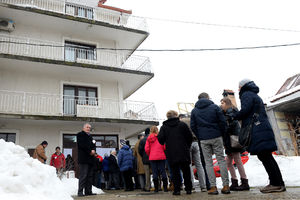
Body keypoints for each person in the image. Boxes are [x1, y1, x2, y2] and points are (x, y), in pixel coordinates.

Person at [232, 79, 286, 193]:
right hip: (262, 128)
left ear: (243, 86)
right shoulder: (253, 94)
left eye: (239, 87)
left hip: (258, 129)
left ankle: (276, 183)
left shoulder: (246, 94)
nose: (238, 89)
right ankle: (278, 183)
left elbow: (245, 110)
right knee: (266, 156)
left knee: (265, 157)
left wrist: (234, 115)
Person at [190, 92, 230, 195]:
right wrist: (221, 134)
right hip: (216, 136)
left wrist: (200, 136)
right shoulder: (215, 107)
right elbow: (222, 122)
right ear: (207, 98)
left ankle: (213, 187)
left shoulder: (194, 111)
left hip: (203, 139)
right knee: (221, 160)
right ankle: (226, 186)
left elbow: (193, 126)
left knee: (208, 163)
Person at [157, 110, 193, 195]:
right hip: (183, 150)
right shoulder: (182, 125)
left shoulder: (164, 127)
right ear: (176, 115)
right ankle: (188, 189)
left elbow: (160, 140)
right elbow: (189, 137)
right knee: (186, 171)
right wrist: (187, 146)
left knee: (175, 172)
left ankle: (177, 189)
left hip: (171, 152)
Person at [220, 97, 249, 191]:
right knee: (229, 162)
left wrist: (225, 128)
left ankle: (244, 182)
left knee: (237, 160)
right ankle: (235, 182)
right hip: (230, 140)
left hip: (233, 140)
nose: (221, 104)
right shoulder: (227, 112)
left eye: (223, 102)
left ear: (227, 103)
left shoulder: (231, 112)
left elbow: (232, 125)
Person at [179, 115, 207, 192]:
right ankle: (203, 186)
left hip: (187, 144)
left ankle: (192, 186)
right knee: (199, 164)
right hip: (196, 142)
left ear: (180, 117)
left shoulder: (181, 122)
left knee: (189, 165)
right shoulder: (193, 120)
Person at [145, 126, 168, 193]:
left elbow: (147, 149)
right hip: (161, 156)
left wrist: (150, 154)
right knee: (163, 171)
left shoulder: (148, 138)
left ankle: (156, 189)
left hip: (152, 157)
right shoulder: (160, 137)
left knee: (154, 172)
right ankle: (165, 188)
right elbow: (164, 147)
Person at [77, 123, 96, 197]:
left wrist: (94, 150)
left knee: (90, 176)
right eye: (87, 127)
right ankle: (80, 192)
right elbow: (82, 145)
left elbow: (94, 145)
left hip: (91, 159)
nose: (88, 128)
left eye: (89, 127)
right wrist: (90, 151)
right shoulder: (80, 135)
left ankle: (88, 191)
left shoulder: (91, 137)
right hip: (84, 159)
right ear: (83, 128)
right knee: (83, 176)